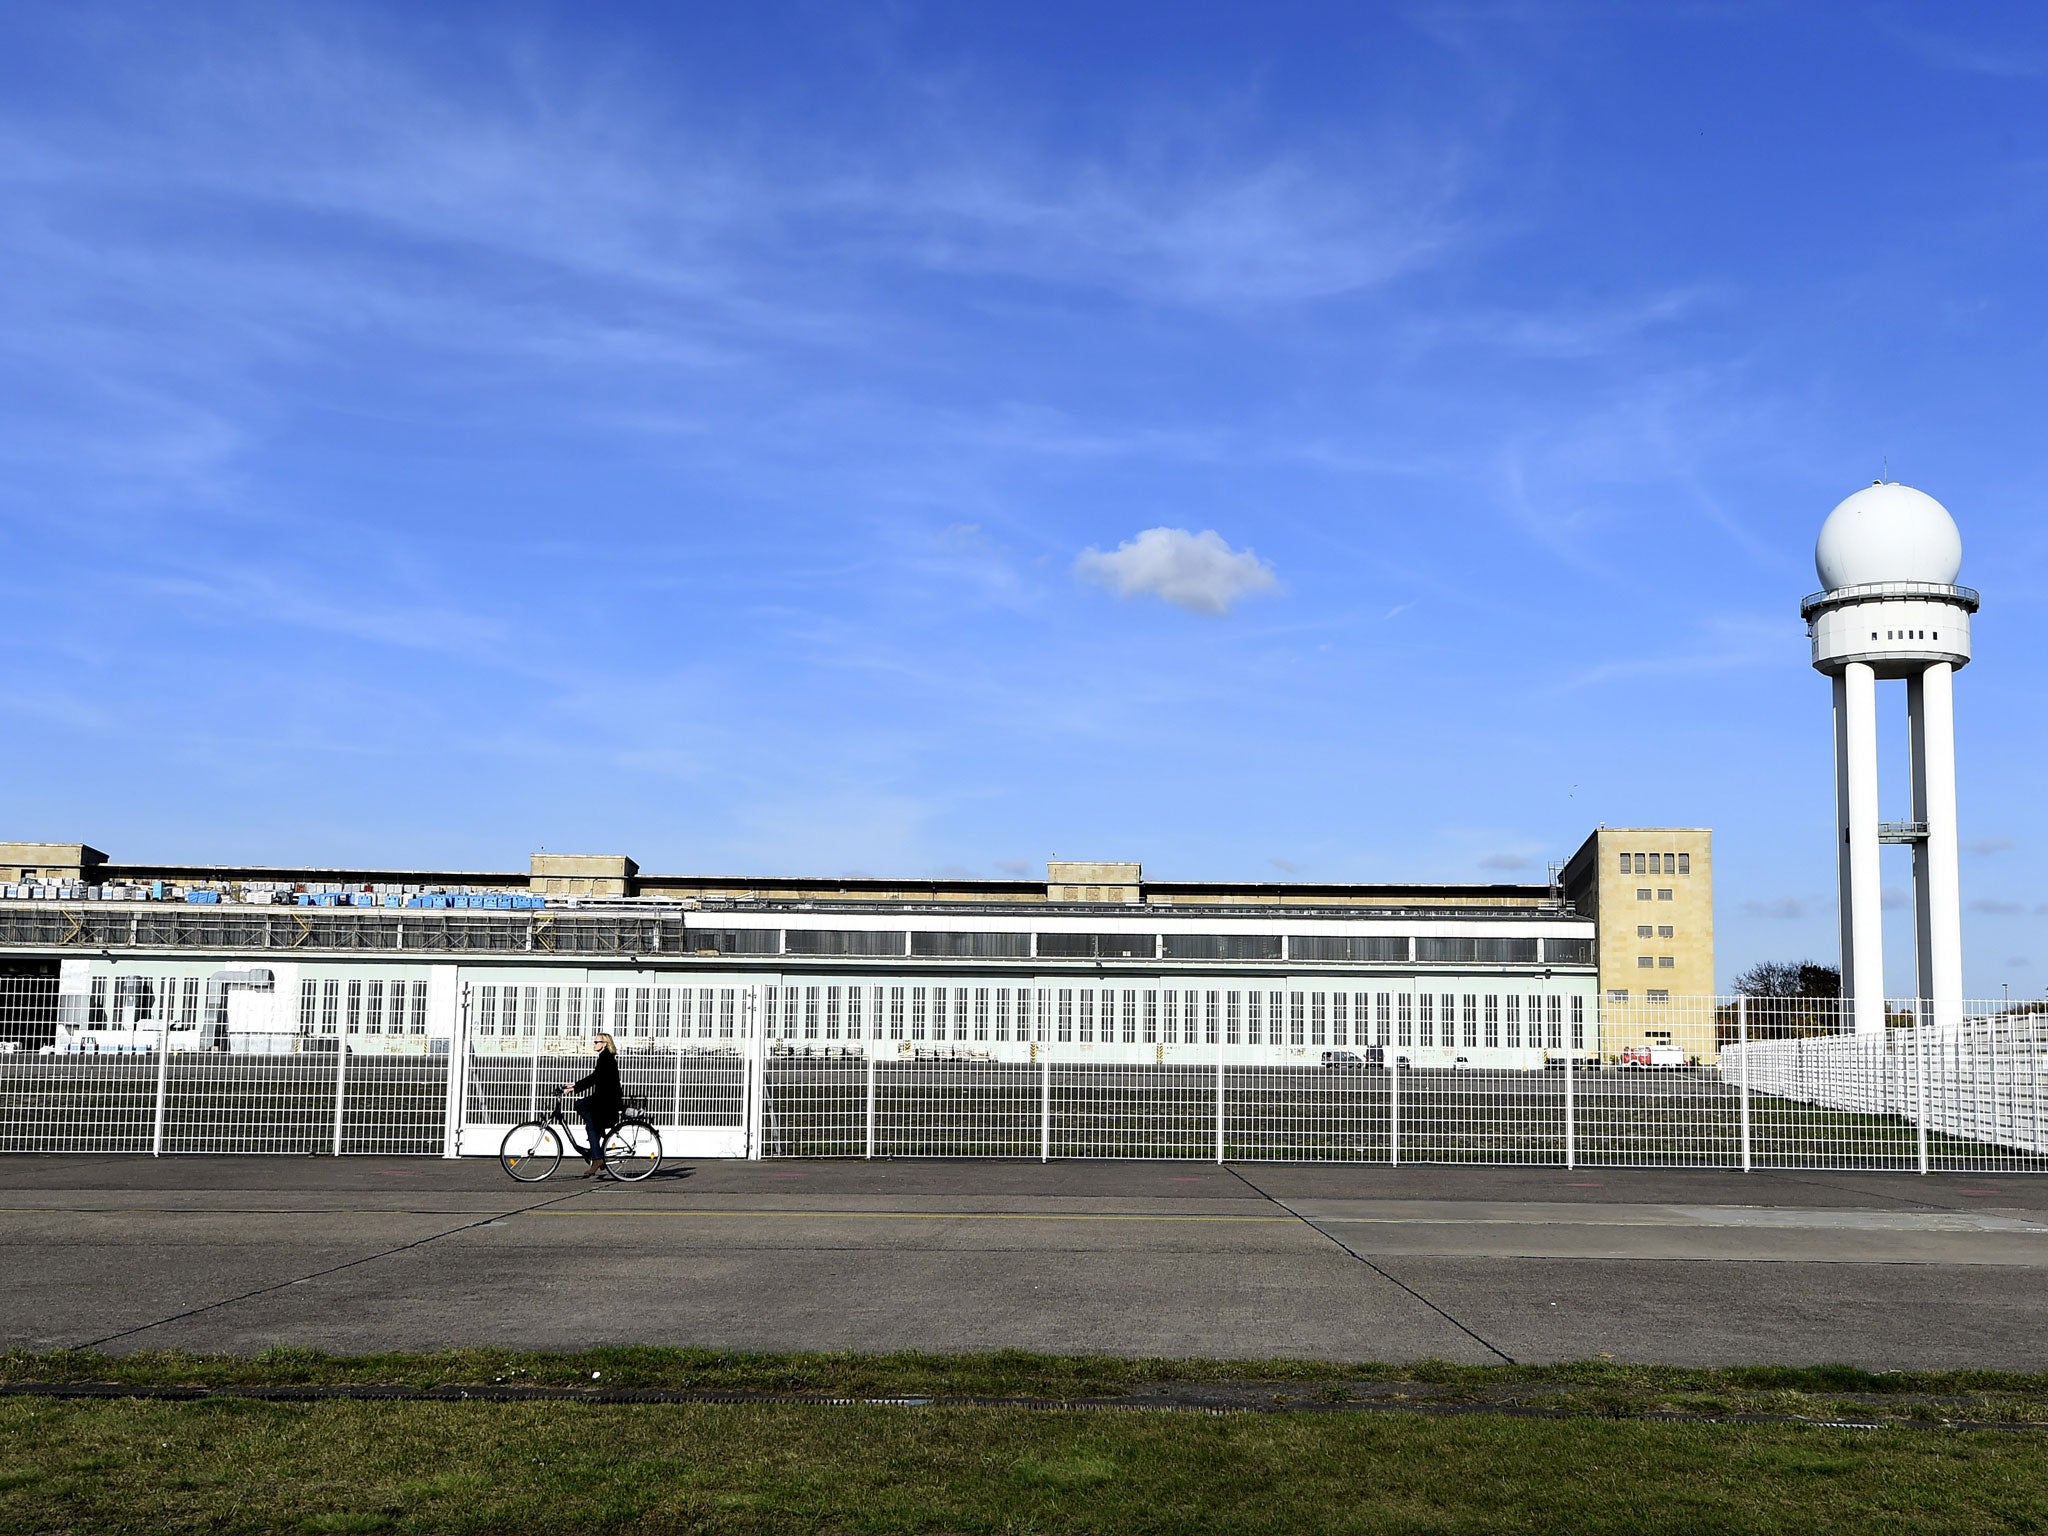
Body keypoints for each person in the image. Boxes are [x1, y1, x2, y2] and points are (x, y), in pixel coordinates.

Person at [561, 1033, 622, 1178]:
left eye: (596, 1042)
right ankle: (597, 1142)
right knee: (590, 1122)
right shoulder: (605, 1058)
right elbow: (595, 1077)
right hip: (604, 1100)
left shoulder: (606, 1059)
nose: (594, 1044)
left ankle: (597, 1158)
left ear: (605, 1043)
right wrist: (575, 1086)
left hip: (607, 1102)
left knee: (582, 1107)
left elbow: (594, 1078)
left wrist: (574, 1087)